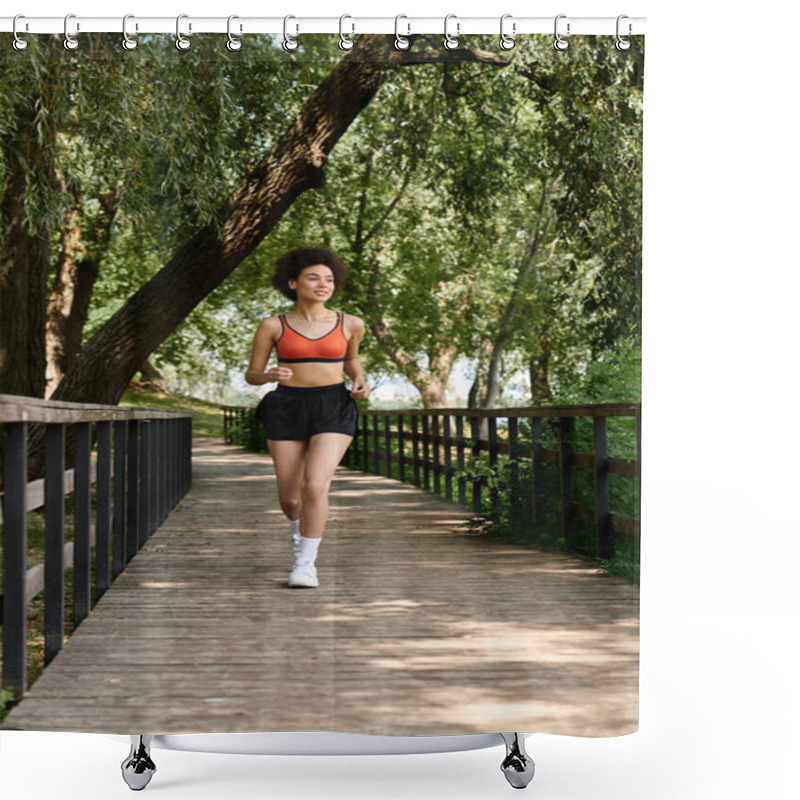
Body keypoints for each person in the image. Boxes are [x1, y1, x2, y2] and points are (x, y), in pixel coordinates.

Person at [245, 248, 370, 588]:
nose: (322, 285)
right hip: (286, 406)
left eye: (328, 279)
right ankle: (299, 532)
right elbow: (252, 375)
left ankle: (305, 564)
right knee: (290, 498)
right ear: (293, 282)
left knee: (315, 484)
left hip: (334, 406)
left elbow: (351, 360)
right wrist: (268, 375)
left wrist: (359, 379)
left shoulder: (351, 323)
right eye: (313, 278)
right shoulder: (273, 325)